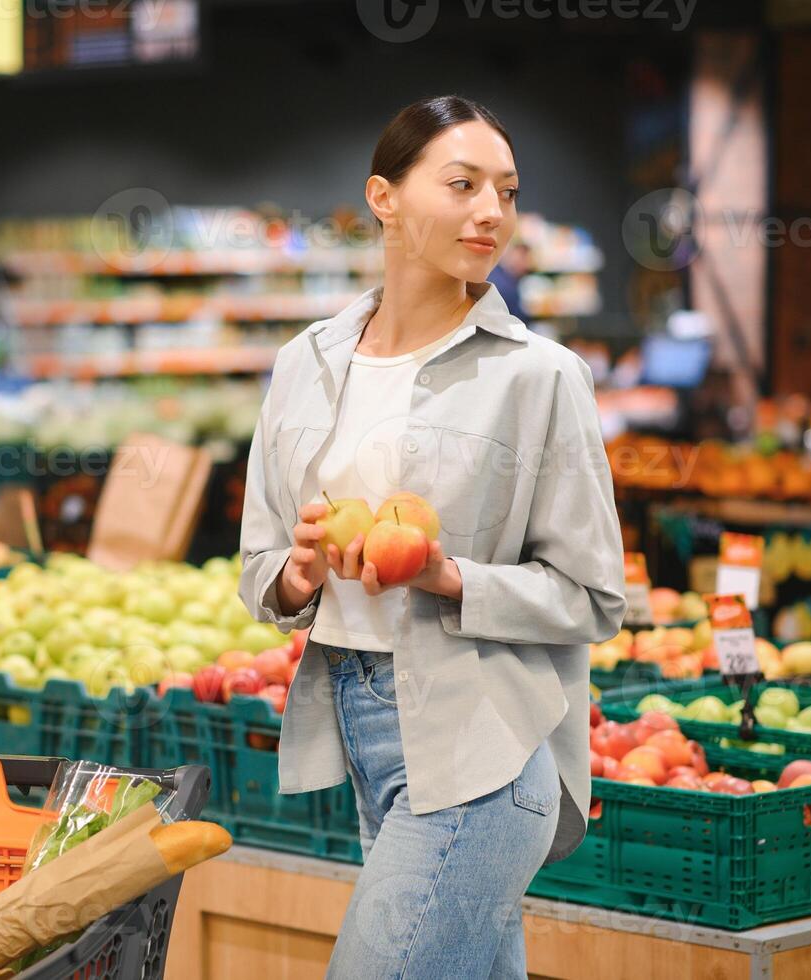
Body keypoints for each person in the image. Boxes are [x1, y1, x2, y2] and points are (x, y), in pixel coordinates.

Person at [237, 95, 626, 979]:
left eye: (506, 191)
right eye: (461, 184)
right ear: (383, 196)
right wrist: (296, 575)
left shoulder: (539, 376)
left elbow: (594, 596)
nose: (491, 212)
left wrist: (452, 577)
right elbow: (259, 564)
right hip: (361, 725)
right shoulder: (305, 363)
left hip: (483, 743)